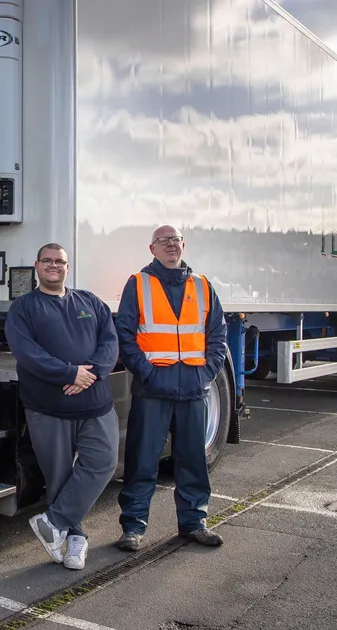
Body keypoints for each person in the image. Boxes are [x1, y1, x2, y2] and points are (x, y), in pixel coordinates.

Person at [4, 243, 121, 570]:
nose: (54, 266)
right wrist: (69, 373)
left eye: (60, 261)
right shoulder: (24, 308)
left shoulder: (89, 302)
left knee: (103, 461)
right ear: (37, 265)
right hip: (48, 407)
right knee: (59, 478)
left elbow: (109, 343)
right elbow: (27, 353)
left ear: (67, 267)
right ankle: (75, 540)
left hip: (95, 403)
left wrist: (93, 373)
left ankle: (53, 521)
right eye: (47, 261)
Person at [113, 225, 227, 551]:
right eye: (163, 241)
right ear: (152, 249)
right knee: (142, 461)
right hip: (153, 390)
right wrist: (148, 374)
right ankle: (133, 528)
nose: (170, 246)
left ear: (183, 245)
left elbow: (216, 336)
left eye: (175, 240)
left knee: (193, 461)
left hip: (193, 390)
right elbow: (126, 336)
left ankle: (194, 524)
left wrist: (206, 373)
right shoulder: (138, 284)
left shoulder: (203, 286)